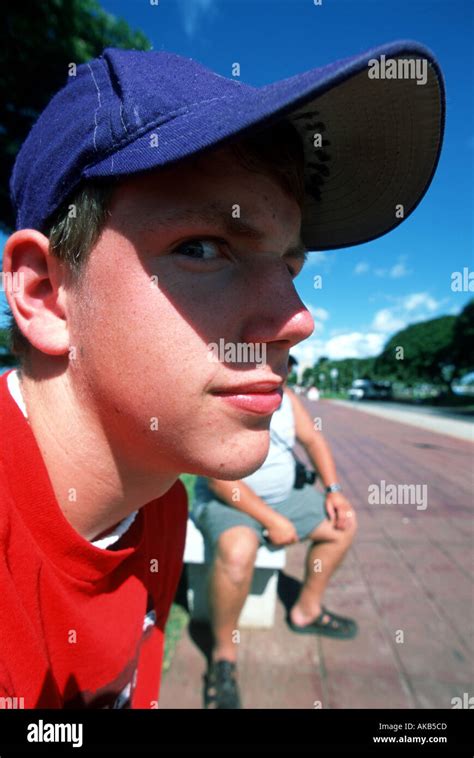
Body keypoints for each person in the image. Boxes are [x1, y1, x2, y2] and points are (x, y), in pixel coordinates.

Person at [0, 42, 444, 708]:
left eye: (289, 268)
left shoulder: (161, 506)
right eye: (202, 248)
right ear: (44, 293)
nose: (298, 320)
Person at [193, 355, 358, 709]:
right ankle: (223, 655)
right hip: (230, 500)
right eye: (268, 360)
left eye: (284, 363)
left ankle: (307, 611)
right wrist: (271, 520)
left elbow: (313, 441)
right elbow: (218, 479)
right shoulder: (225, 396)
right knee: (238, 550)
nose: (277, 370)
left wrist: (334, 491)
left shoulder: (287, 398)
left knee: (343, 525)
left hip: (285, 497)